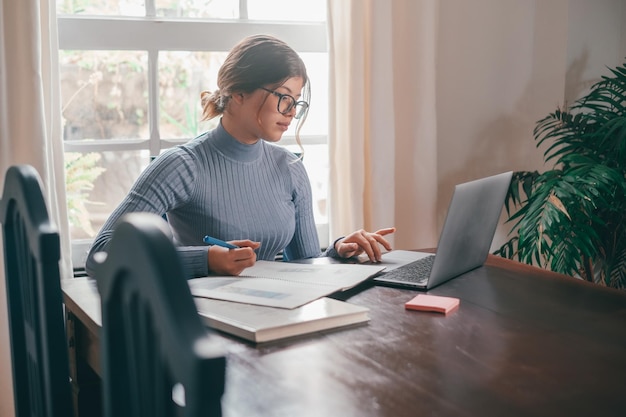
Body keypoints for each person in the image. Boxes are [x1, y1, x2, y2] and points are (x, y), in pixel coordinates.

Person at [85, 34, 395, 279]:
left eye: (296, 102)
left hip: (278, 322)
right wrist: (205, 259)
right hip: (206, 328)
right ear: (238, 93)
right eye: (284, 97)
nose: (291, 113)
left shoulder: (290, 168)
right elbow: (100, 255)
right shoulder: (182, 165)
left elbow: (304, 265)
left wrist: (340, 250)